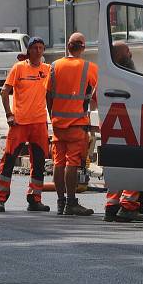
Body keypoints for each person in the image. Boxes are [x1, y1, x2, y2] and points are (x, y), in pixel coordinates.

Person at [0, 37, 51, 213]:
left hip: (39, 123)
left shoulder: (48, 69)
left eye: (41, 48)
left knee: (39, 163)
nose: (38, 51)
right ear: (29, 50)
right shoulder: (19, 68)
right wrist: (9, 115)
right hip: (19, 123)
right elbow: (4, 92)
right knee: (9, 160)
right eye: (35, 48)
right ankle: (0, 199)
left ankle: (35, 199)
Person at [46, 32, 98, 216]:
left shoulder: (54, 66)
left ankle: (60, 202)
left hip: (59, 124)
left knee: (58, 162)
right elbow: (97, 95)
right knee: (72, 163)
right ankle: (71, 203)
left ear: (68, 46)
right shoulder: (89, 67)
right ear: (83, 47)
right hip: (77, 124)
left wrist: (53, 114)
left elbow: (48, 94)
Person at [104, 40, 143, 223]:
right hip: (129, 126)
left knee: (118, 167)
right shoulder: (129, 75)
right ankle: (128, 206)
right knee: (135, 165)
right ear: (120, 56)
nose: (130, 55)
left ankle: (112, 206)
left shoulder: (109, 74)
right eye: (128, 52)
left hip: (114, 127)